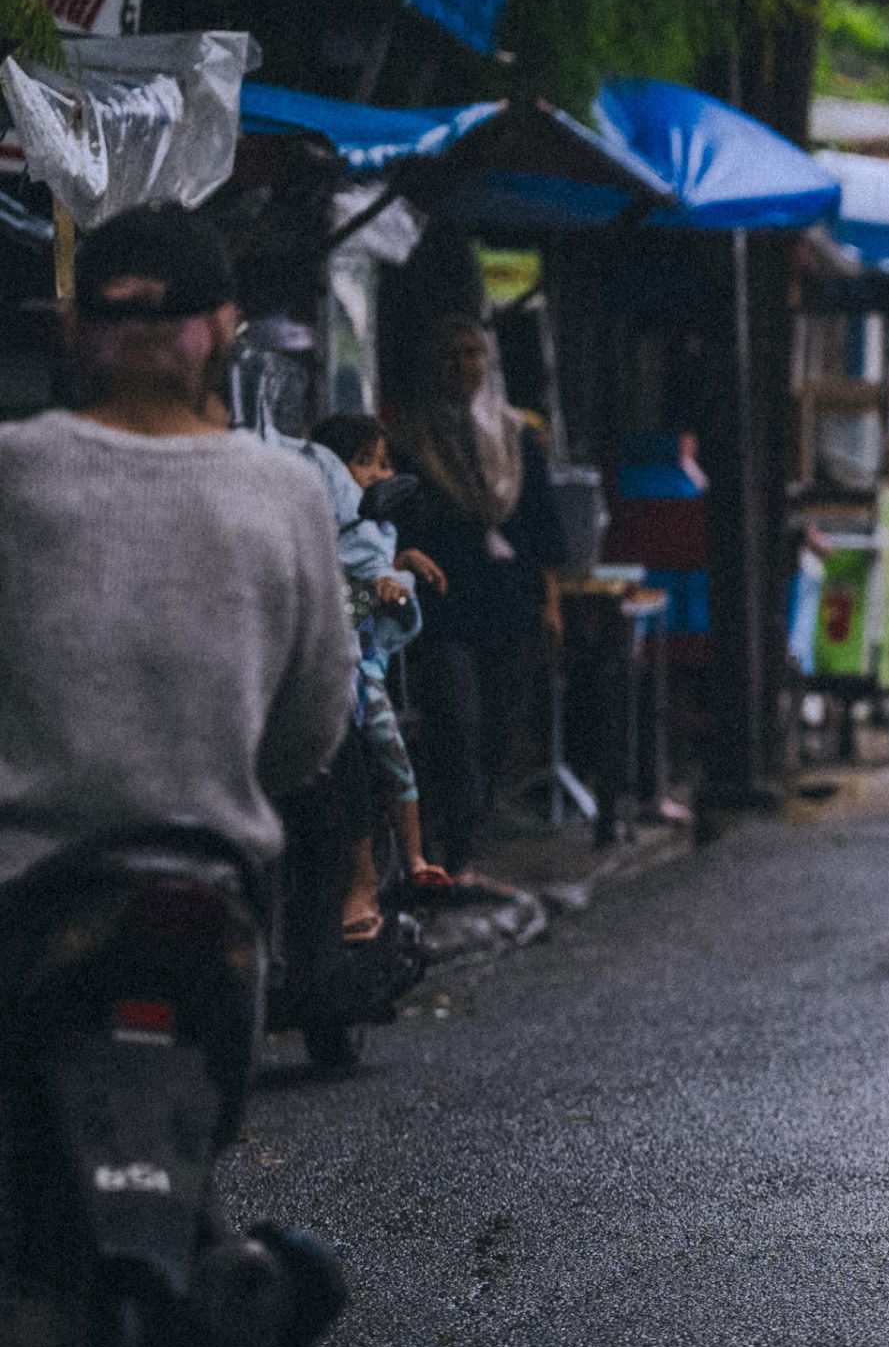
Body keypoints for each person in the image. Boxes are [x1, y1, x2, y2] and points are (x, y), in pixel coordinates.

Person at [0, 208, 354, 896]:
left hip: (27, 881)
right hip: (215, 876)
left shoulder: (14, 469)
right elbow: (315, 720)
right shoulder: (289, 491)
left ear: (73, 324)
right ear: (224, 329)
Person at [391, 314, 568, 870]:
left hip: (511, 601)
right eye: (451, 355)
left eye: (473, 354)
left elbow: (542, 527)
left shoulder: (517, 436)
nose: (463, 366)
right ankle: (457, 846)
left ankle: (471, 832)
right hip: (445, 605)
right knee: (455, 723)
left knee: (498, 726)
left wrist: (551, 600)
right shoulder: (410, 443)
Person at [310, 413, 454, 933]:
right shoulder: (313, 524)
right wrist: (374, 588)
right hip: (312, 667)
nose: (375, 474)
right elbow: (317, 606)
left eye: (381, 463)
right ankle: (362, 876)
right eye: (362, 462)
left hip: (354, 667)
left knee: (382, 742)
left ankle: (398, 867)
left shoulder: (367, 529)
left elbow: (359, 583)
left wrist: (397, 565)